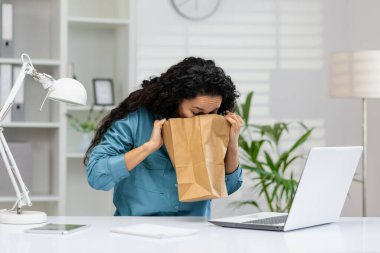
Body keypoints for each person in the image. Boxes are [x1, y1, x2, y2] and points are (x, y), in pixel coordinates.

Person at [84, 57, 243, 217]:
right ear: (175, 100)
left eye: (213, 112)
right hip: (136, 229)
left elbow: (228, 187)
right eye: (196, 112)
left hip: (194, 230)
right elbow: (97, 177)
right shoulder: (136, 120)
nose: (204, 119)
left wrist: (232, 144)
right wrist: (148, 148)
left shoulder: (215, 127)